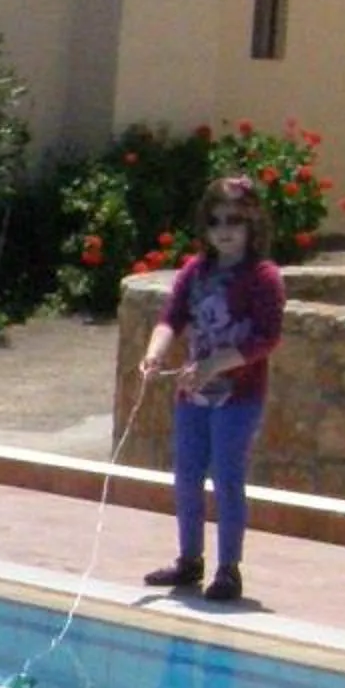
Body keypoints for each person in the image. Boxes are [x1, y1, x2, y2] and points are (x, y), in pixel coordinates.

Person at [139, 175, 288, 603]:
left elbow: (266, 338)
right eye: (216, 220)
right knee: (186, 476)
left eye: (235, 221)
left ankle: (228, 568)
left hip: (238, 396)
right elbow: (172, 317)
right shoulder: (195, 271)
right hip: (194, 393)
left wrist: (216, 364)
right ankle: (189, 561)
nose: (225, 229)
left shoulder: (263, 277)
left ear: (252, 224)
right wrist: (155, 353)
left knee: (226, 477)